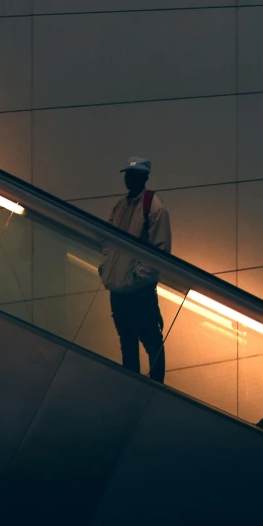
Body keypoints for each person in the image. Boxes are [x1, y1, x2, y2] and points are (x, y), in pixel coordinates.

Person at [98, 158, 169, 381]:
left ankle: (154, 387)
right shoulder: (121, 205)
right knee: (128, 341)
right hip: (120, 287)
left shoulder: (154, 207)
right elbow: (108, 240)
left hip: (138, 289)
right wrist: (107, 269)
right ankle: (133, 384)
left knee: (149, 340)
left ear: (144, 178)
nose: (128, 179)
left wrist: (133, 277)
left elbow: (160, 252)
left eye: (133, 175)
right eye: (127, 175)